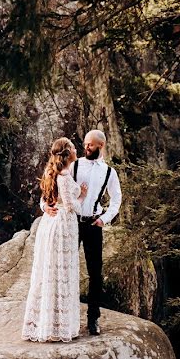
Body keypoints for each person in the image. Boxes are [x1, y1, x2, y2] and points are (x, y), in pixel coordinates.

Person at [42, 129, 122, 335]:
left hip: (93, 224)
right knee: (64, 269)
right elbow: (52, 188)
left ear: (100, 146)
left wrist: (104, 219)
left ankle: (93, 318)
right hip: (70, 223)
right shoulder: (73, 165)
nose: (86, 147)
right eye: (85, 144)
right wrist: (44, 206)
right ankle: (62, 318)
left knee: (95, 273)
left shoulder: (109, 172)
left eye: (91, 145)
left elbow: (116, 201)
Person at [22, 137, 89, 342]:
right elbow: (71, 206)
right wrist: (83, 195)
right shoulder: (65, 175)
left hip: (49, 223)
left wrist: (45, 207)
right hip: (62, 225)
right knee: (61, 270)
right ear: (68, 153)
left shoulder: (52, 171)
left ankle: (46, 323)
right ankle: (58, 326)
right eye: (73, 147)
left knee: (49, 270)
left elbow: (44, 198)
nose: (77, 149)